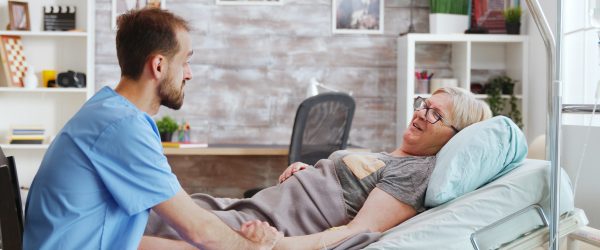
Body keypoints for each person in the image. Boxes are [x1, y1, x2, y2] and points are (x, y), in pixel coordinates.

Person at [23, 8, 281, 250]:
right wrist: (254, 246)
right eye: (184, 62)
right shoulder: (123, 128)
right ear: (158, 65)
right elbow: (197, 228)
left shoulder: (107, 111)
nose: (188, 74)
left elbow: (127, 240)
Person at [142, 87, 493, 249]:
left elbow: (358, 230)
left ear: (453, 135)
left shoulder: (415, 171)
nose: (420, 113)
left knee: (159, 220)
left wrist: (278, 246)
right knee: (169, 209)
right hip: (261, 205)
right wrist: (307, 170)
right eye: (423, 104)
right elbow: (347, 182)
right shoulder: (390, 156)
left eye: (435, 114)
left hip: (274, 223)